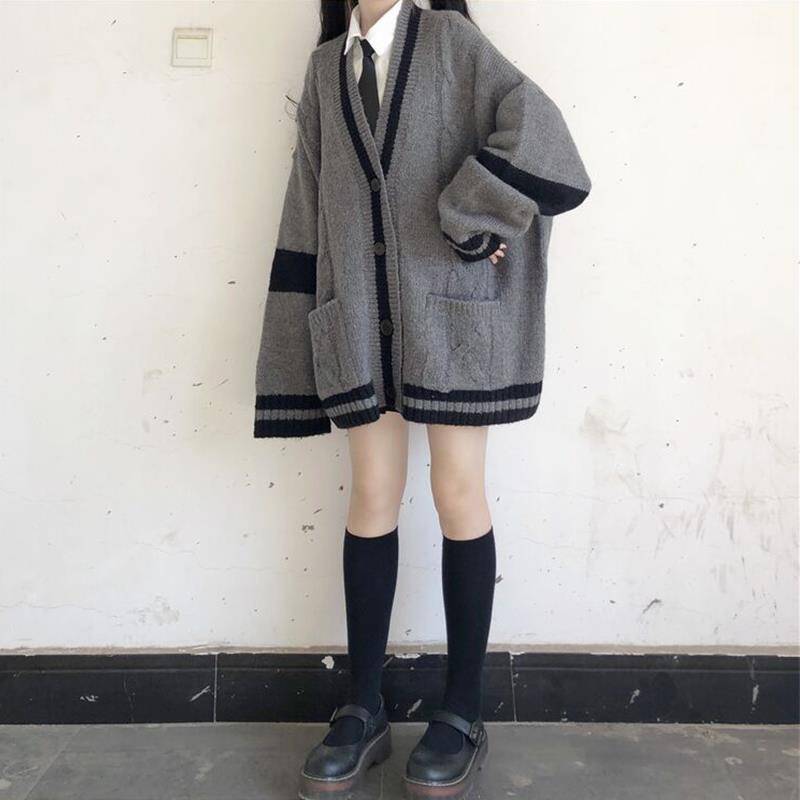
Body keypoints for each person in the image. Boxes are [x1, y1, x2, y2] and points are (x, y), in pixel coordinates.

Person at [253, 0, 591, 796]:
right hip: (358, 321)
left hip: (451, 319)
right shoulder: (326, 67)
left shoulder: (453, 43)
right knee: (371, 494)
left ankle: (462, 711)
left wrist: (474, 216)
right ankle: (363, 706)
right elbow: (307, 201)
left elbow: (544, 134)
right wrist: (295, 337)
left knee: (457, 492)